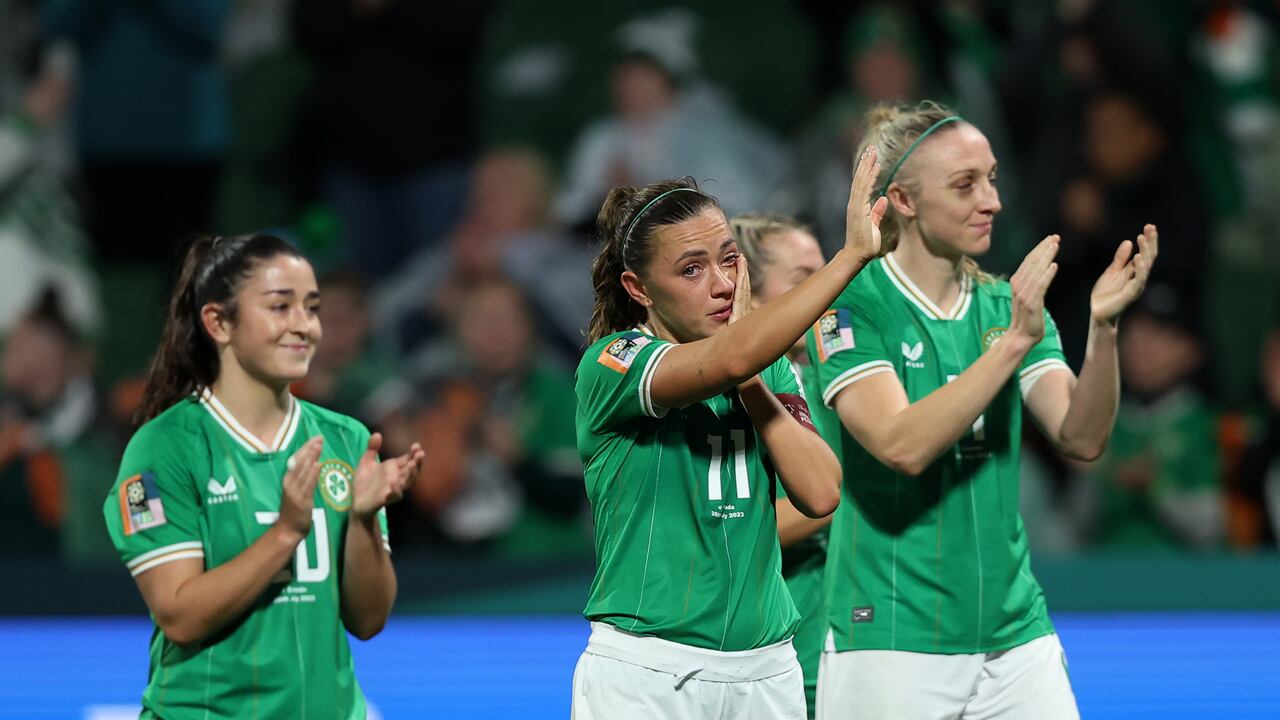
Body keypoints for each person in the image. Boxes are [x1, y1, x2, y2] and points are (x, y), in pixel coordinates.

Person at [807, 101, 1158, 719]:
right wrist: (1013, 346)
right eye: (965, 185)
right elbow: (899, 443)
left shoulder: (1007, 306)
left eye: (992, 178)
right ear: (906, 203)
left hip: (1016, 633)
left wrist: (1103, 332)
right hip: (891, 634)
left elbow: (1081, 437)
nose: (991, 200)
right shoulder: (853, 305)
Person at [571, 145, 886, 719]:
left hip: (768, 668)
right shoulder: (614, 363)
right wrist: (851, 258)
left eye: (728, 259)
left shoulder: (763, 367)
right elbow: (728, 359)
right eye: (691, 269)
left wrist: (753, 382)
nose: (721, 284)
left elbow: (820, 494)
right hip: (649, 672)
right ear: (638, 289)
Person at [102, 234, 424, 719]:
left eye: (311, 308)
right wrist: (285, 534)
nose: (304, 326)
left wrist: (361, 519)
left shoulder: (348, 440)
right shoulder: (163, 447)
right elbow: (180, 615)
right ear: (218, 322)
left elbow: (370, 619)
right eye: (280, 307)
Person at [730, 213, 834, 719]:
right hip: (761, 644)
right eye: (802, 279)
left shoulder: (831, 383)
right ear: (749, 294)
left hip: (832, 640)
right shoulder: (725, 390)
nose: (826, 292)